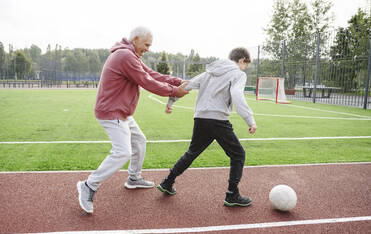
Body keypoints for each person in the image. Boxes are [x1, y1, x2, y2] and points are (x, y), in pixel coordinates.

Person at [77, 26, 189, 214]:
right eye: (146, 44)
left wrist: (177, 81)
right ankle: (89, 185)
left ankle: (133, 178)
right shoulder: (125, 56)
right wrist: (174, 91)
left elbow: (152, 74)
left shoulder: (130, 55)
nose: (148, 48)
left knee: (139, 141)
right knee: (122, 152)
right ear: (135, 39)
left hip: (122, 113)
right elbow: (147, 81)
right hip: (112, 112)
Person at [157, 47, 257, 207]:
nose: (245, 67)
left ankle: (167, 182)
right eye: (246, 64)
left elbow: (188, 85)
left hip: (201, 118)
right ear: (241, 60)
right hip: (218, 119)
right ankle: (232, 194)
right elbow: (237, 95)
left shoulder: (209, 72)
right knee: (238, 154)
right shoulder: (238, 74)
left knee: (192, 152)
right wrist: (250, 120)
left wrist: (170, 102)